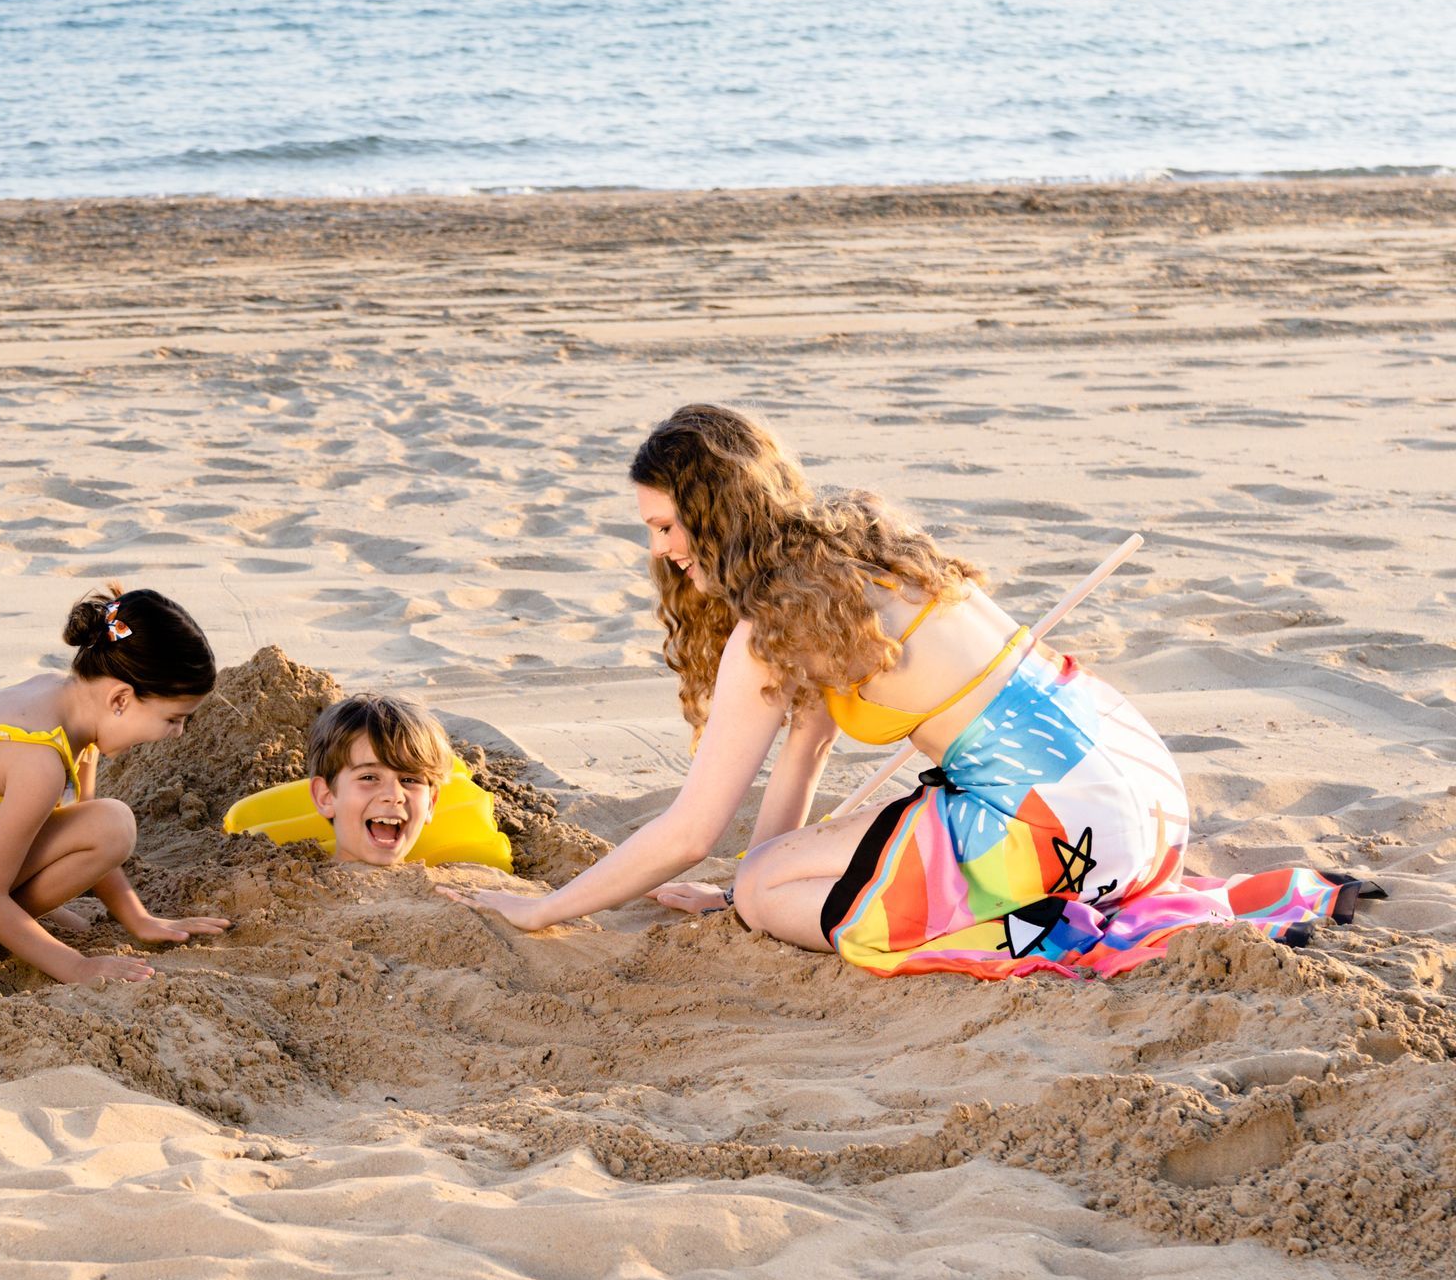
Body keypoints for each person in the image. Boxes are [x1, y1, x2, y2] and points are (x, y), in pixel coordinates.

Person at [453, 404, 1374, 976]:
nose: (658, 549)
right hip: (1139, 791)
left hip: (1059, 826)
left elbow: (689, 830)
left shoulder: (768, 628)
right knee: (766, 884)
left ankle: (1064, 937)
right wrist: (746, 886)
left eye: (664, 526)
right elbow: (806, 752)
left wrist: (541, 909)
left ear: (711, 516)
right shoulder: (855, 553)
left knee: (781, 897)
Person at [0, 587, 231, 984]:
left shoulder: (67, 698)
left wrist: (137, 919)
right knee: (113, 823)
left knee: (103, 830)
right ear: (121, 700)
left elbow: (80, 831)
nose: (177, 734)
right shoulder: (39, 763)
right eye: (173, 719)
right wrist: (77, 966)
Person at [308, 694, 454, 864]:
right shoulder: (282, 885)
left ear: (430, 803)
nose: (394, 795)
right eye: (369, 777)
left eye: (409, 780)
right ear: (325, 797)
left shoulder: (464, 883)